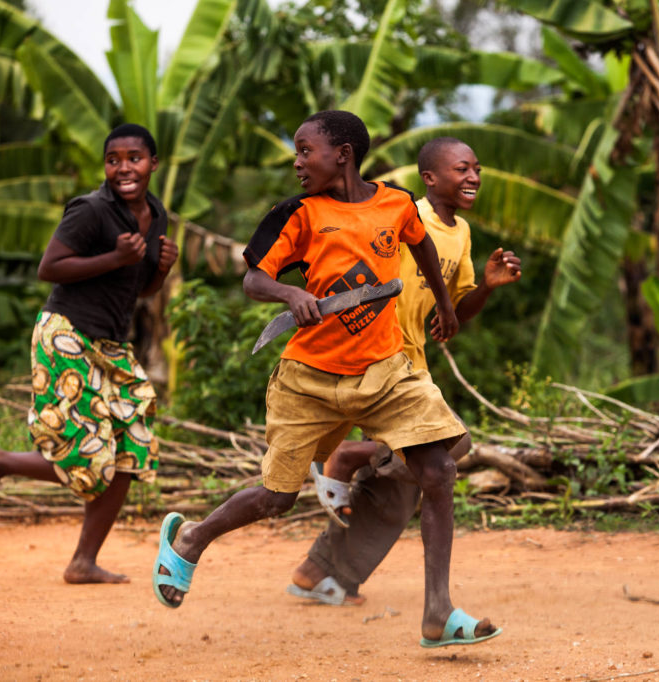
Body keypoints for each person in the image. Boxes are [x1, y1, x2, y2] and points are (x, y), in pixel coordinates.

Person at [151, 111, 501, 648]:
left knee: (438, 467)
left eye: (304, 150)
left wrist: (446, 303)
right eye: (296, 152)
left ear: (342, 154)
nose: (297, 162)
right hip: (308, 378)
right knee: (276, 498)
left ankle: (438, 611)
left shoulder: (397, 203)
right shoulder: (298, 214)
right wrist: (291, 293)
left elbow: (421, 244)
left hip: (385, 370)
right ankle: (191, 539)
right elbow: (254, 277)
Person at [287, 137, 521, 608]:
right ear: (430, 178)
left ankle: (322, 573)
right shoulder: (400, 214)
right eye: (462, 168)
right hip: (380, 353)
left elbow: (455, 310)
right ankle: (352, 455)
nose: (474, 176)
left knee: (400, 492)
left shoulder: (462, 234)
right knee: (453, 447)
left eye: (477, 168)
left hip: (415, 357)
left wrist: (487, 289)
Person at [0, 123, 178, 584]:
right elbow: (50, 268)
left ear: (153, 164)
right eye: (113, 159)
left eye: (134, 158)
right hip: (66, 334)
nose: (124, 168)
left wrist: (159, 271)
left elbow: (139, 289)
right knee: (86, 450)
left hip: (110, 344)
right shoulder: (91, 210)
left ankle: (84, 561)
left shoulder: (157, 215)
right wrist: (115, 259)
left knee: (131, 446)